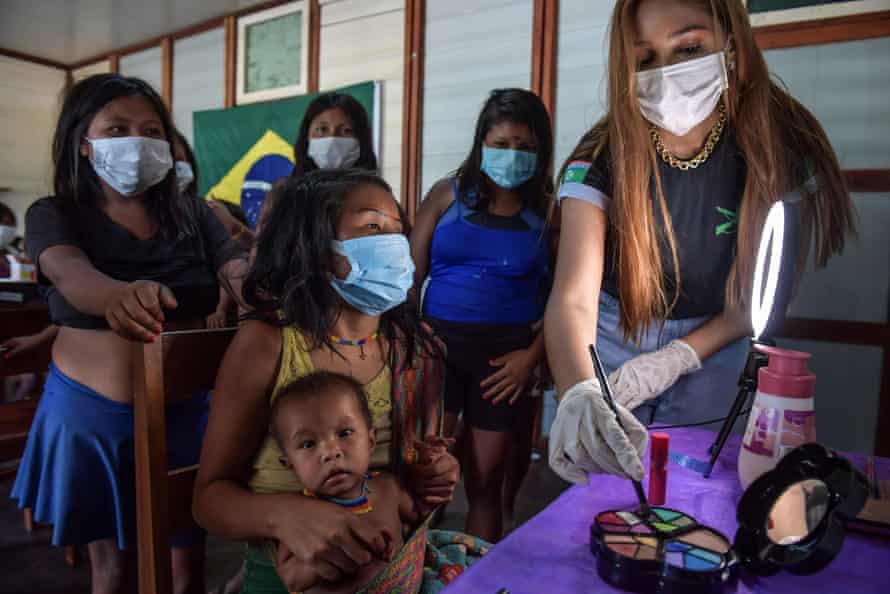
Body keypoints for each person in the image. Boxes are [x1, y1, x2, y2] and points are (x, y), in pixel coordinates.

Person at [545, 0, 855, 485]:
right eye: (645, 59)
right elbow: (571, 298)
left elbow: (758, 296)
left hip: (720, 337)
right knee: (602, 489)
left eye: (689, 48)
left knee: (695, 486)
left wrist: (676, 359)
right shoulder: (600, 156)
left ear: (730, 42)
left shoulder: (779, 146)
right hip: (610, 335)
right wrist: (579, 391)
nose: (667, 73)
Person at [9, 73, 247, 594]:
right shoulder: (54, 213)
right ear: (83, 143)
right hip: (92, 419)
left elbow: (235, 268)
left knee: (188, 568)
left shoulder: (196, 214)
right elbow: (70, 273)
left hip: (187, 414)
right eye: (116, 128)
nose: (135, 142)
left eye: (150, 129)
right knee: (112, 572)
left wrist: (258, 283)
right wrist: (115, 295)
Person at [192, 169, 459, 593]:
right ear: (315, 248)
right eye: (373, 226)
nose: (395, 243)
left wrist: (431, 476)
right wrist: (285, 514)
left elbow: (406, 493)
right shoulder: (269, 345)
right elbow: (209, 500)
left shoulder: (413, 350)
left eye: (398, 229)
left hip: (393, 573)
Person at [409, 88, 554, 542]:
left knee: (485, 483)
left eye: (526, 148)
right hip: (437, 354)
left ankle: (477, 579)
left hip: (503, 367)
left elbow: (566, 298)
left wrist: (530, 359)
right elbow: (407, 280)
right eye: (502, 144)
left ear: (541, 152)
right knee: (423, 479)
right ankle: (405, 577)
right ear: (481, 143)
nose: (513, 155)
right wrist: (412, 346)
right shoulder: (443, 196)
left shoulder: (551, 212)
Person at [269, 371, 447, 593]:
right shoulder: (300, 518)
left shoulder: (387, 489)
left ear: (371, 440)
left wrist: (431, 465)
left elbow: (423, 516)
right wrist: (327, 562)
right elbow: (291, 579)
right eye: (308, 444)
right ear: (289, 463)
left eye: (344, 433)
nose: (330, 452)